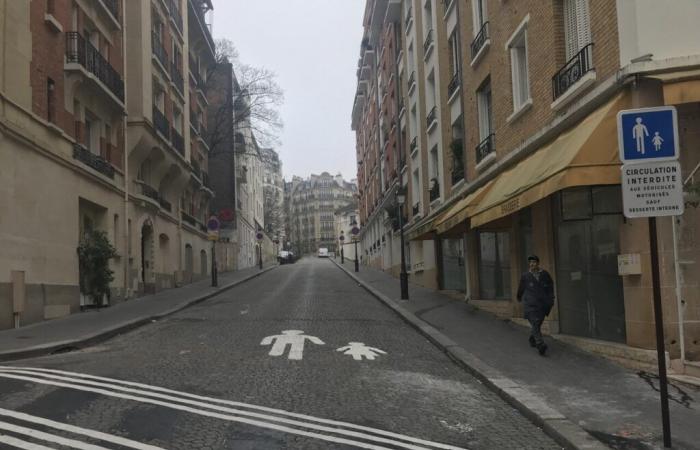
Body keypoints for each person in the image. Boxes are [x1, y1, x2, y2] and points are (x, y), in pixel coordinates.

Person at [517, 255, 555, 356]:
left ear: (538, 263)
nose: (531, 264)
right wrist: (519, 297)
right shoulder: (525, 276)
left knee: (537, 324)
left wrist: (551, 299)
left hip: (542, 305)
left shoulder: (545, 274)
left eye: (533, 262)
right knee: (535, 321)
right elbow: (521, 288)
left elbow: (550, 287)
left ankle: (532, 338)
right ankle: (540, 344)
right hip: (530, 304)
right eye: (530, 262)